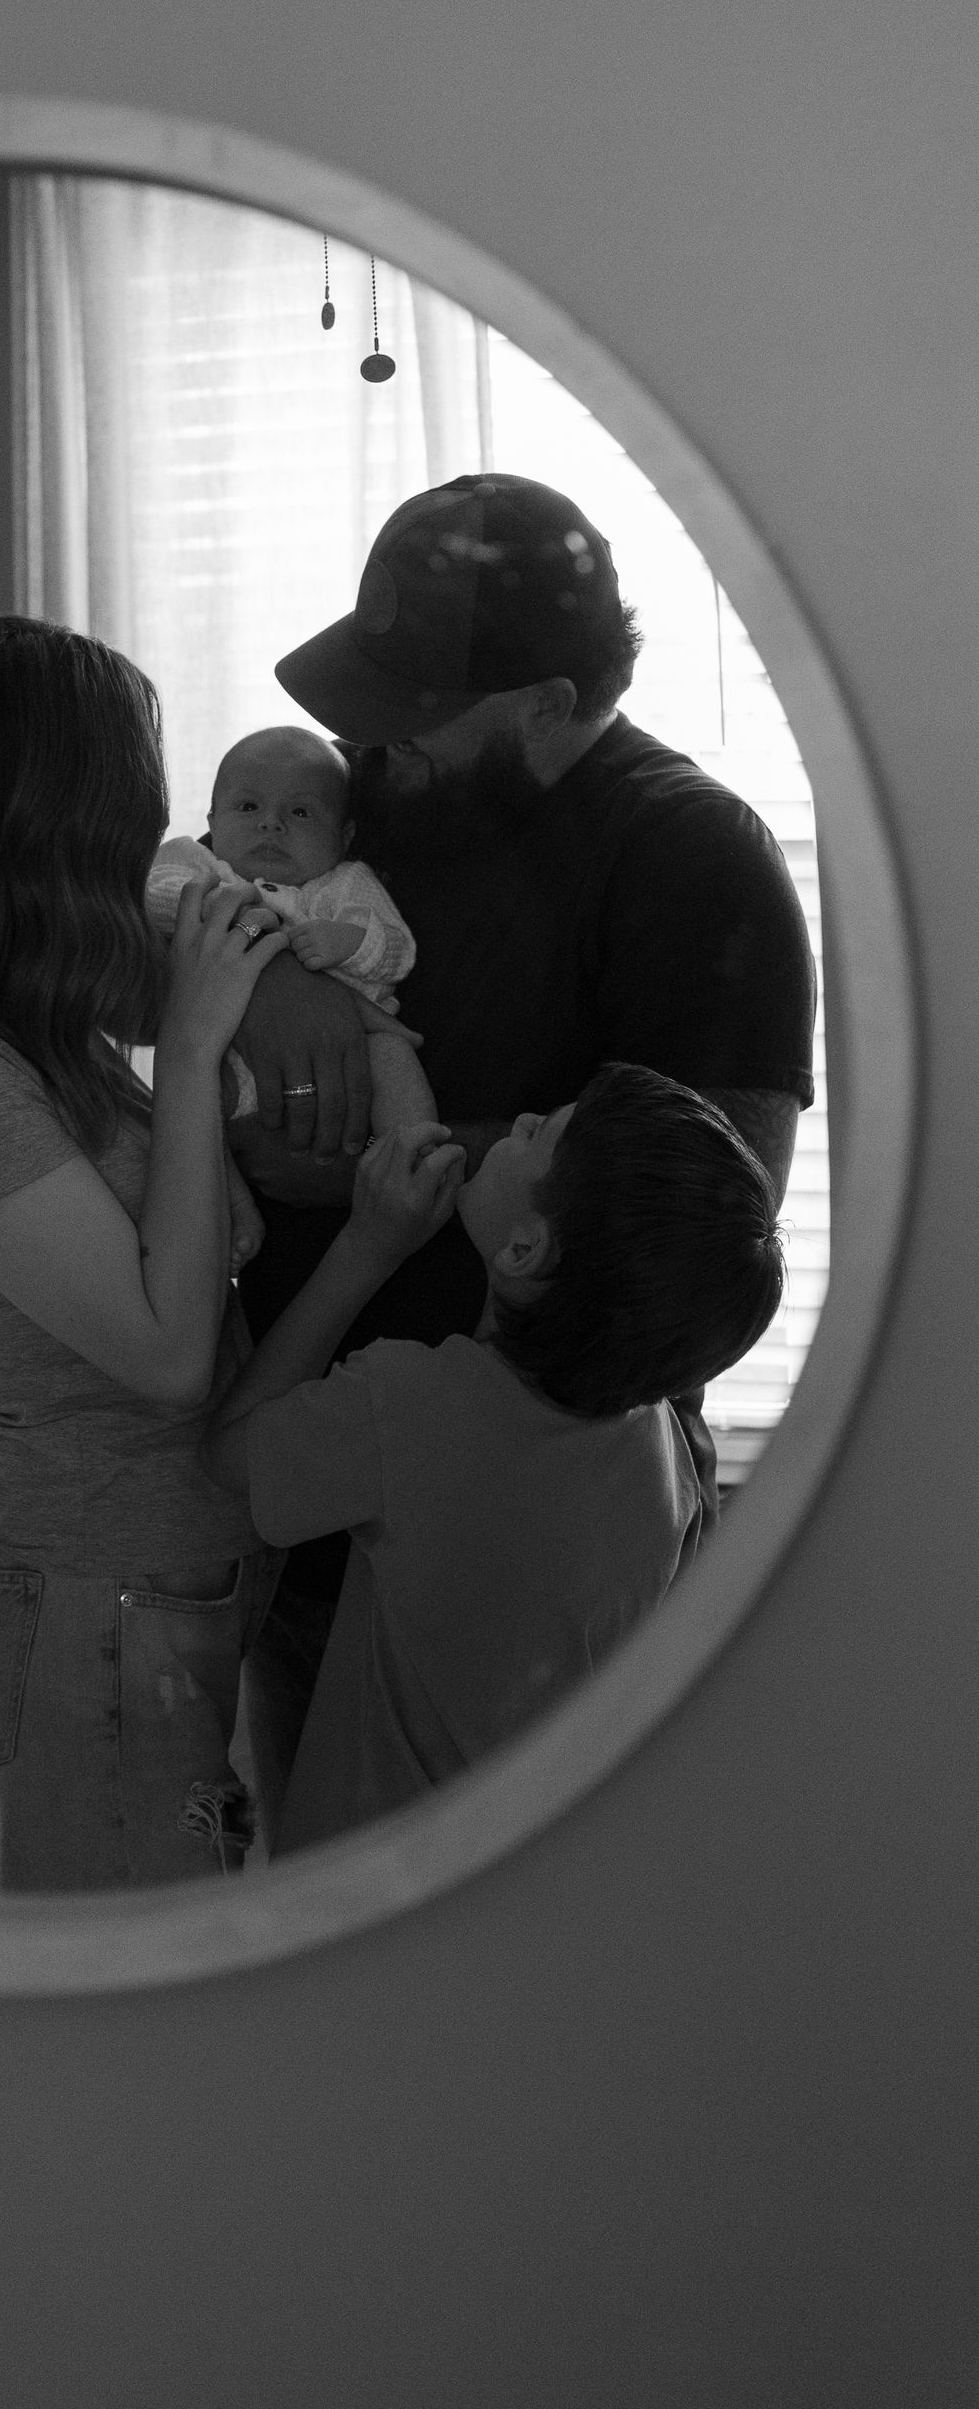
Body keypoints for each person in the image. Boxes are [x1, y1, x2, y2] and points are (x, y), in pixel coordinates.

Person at [226, 475, 818, 1826]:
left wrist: (395, 1159)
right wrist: (270, 980)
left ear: (548, 705)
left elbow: (720, 1215)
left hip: (537, 1553)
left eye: (414, 712)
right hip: (314, 1498)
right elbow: (223, 886)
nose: (366, 742)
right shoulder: (388, 797)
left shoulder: (693, 856)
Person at [0, 614, 291, 1893]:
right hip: (84, 1620)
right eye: (134, 808)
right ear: (60, 826)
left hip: (163, 1599)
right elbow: (166, 1352)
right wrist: (188, 1051)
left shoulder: (45, 1030)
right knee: (102, 2071)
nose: (156, 840)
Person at [203, 1070, 784, 1849]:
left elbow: (226, 1455)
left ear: (524, 1248)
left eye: (538, 1133)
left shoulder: (409, 1406)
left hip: (366, 1884)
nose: (519, 1115)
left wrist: (365, 1246)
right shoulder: (661, 1448)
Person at [145, 723, 434, 1136]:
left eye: (300, 812)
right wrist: (215, 904)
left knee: (392, 1053)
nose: (271, 824)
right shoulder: (200, 865)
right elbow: (156, 893)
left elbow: (396, 950)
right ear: (213, 819)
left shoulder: (346, 884)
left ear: (344, 835)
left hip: (348, 1056)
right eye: (248, 807)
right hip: (227, 1053)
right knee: (189, 1099)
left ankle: (411, 1160)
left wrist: (349, 942)